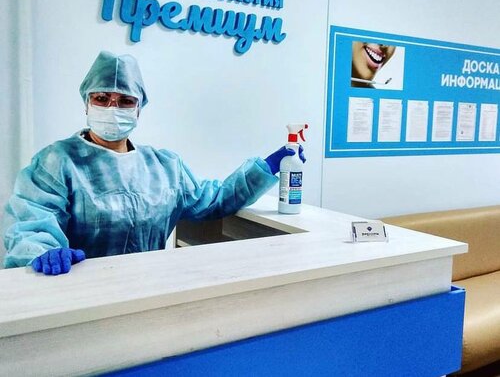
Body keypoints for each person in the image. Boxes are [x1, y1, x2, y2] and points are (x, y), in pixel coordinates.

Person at [2, 51, 305, 275]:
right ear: (86, 103)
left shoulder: (164, 167)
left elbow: (213, 200)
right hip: (80, 295)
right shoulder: (56, 162)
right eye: (102, 98)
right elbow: (31, 222)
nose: (113, 107)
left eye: (125, 101)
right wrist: (42, 251)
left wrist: (267, 167)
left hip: (149, 288)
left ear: (138, 109)